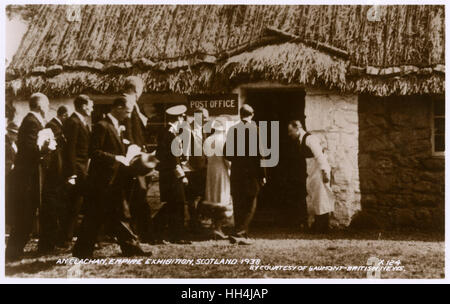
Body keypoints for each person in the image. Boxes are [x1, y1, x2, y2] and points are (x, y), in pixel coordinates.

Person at [72, 97, 148, 258]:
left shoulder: (116, 126)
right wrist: (116, 158)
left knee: (117, 214)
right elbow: (94, 152)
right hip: (101, 181)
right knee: (96, 216)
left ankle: (130, 247)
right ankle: (82, 251)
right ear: (118, 108)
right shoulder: (101, 126)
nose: (128, 116)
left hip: (113, 180)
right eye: (127, 112)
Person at [6, 93, 52, 261]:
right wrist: (46, 148)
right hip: (26, 178)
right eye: (47, 106)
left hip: (29, 177)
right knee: (25, 215)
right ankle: (12, 253)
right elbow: (30, 149)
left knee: (27, 215)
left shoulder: (33, 122)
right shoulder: (32, 122)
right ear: (40, 106)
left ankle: (14, 252)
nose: (48, 110)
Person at [224, 104, 266, 245]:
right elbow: (261, 155)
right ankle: (240, 233)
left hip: (237, 173)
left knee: (238, 203)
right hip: (252, 174)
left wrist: (238, 159)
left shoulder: (232, 130)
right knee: (250, 204)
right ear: (252, 115)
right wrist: (263, 174)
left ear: (240, 115)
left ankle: (239, 230)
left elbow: (227, 154)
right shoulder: (256, 130)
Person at [287, 120, 334, 233]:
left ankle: (322, 227)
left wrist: (324, 172)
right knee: (315, 198)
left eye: (291, 131)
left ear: (298, 128)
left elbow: (320, 156)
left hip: (319, 170)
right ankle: (318, 224)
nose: (289, 134)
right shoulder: (301, 140)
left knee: (321, 198)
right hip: (312, 171)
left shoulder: (309, 139)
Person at [121, 76, 153, 242]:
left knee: (138, 195)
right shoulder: (126, 104)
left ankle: (140, 231)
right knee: (136, 196)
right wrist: (134, 154)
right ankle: (139, 232)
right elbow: (128, 132)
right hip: (133, 157)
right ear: (136, 89)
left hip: (138, 154)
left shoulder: (134, 106)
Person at [155, 104, 191, 244]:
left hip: (168, 174)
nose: (183, 119)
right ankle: (177, 235)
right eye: (182, 116)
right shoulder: (170, 133)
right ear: (178, 118)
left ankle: (157, 231)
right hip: (172, 175)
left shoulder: (167, 131)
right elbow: (172, 158)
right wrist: (182, 176)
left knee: (171, 205)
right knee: (178, 204)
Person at [62, 95, 93, 247]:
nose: (92, 109)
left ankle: (69, 237)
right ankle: (66, 239)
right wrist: (72, 173)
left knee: (77, 204)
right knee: (73, 205)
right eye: (90, 106)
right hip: (77, 169)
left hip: (83, 168)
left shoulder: (81, 122)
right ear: (82, 106)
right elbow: (70, 149)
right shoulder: (73, 122)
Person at [39, 106, 69, 252]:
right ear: (64, 115)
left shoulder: (56, 126)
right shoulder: (53, 127)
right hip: (52, 173)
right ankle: (47, 243)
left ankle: (51, 242)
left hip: (55, 173)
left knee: (54, 208)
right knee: (50, 209)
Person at [202, 118, 233, 239]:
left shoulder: (208, 140)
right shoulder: (225, 140)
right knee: (222, 198)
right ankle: (218, 227)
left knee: (212, 198)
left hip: (211, 171)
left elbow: (206, 156)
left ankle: (214, 226)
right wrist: (230, 169)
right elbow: (227, 159)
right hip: (221, 171)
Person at [184, 107, 209, 234]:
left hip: (202, 168)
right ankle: (193, 223)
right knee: (191, 198)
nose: (207, 120)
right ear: (197, 116)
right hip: (190, 169)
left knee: (204, 195)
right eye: (204, 117)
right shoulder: (187, 129)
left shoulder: (204, 130)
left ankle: (196, 219)